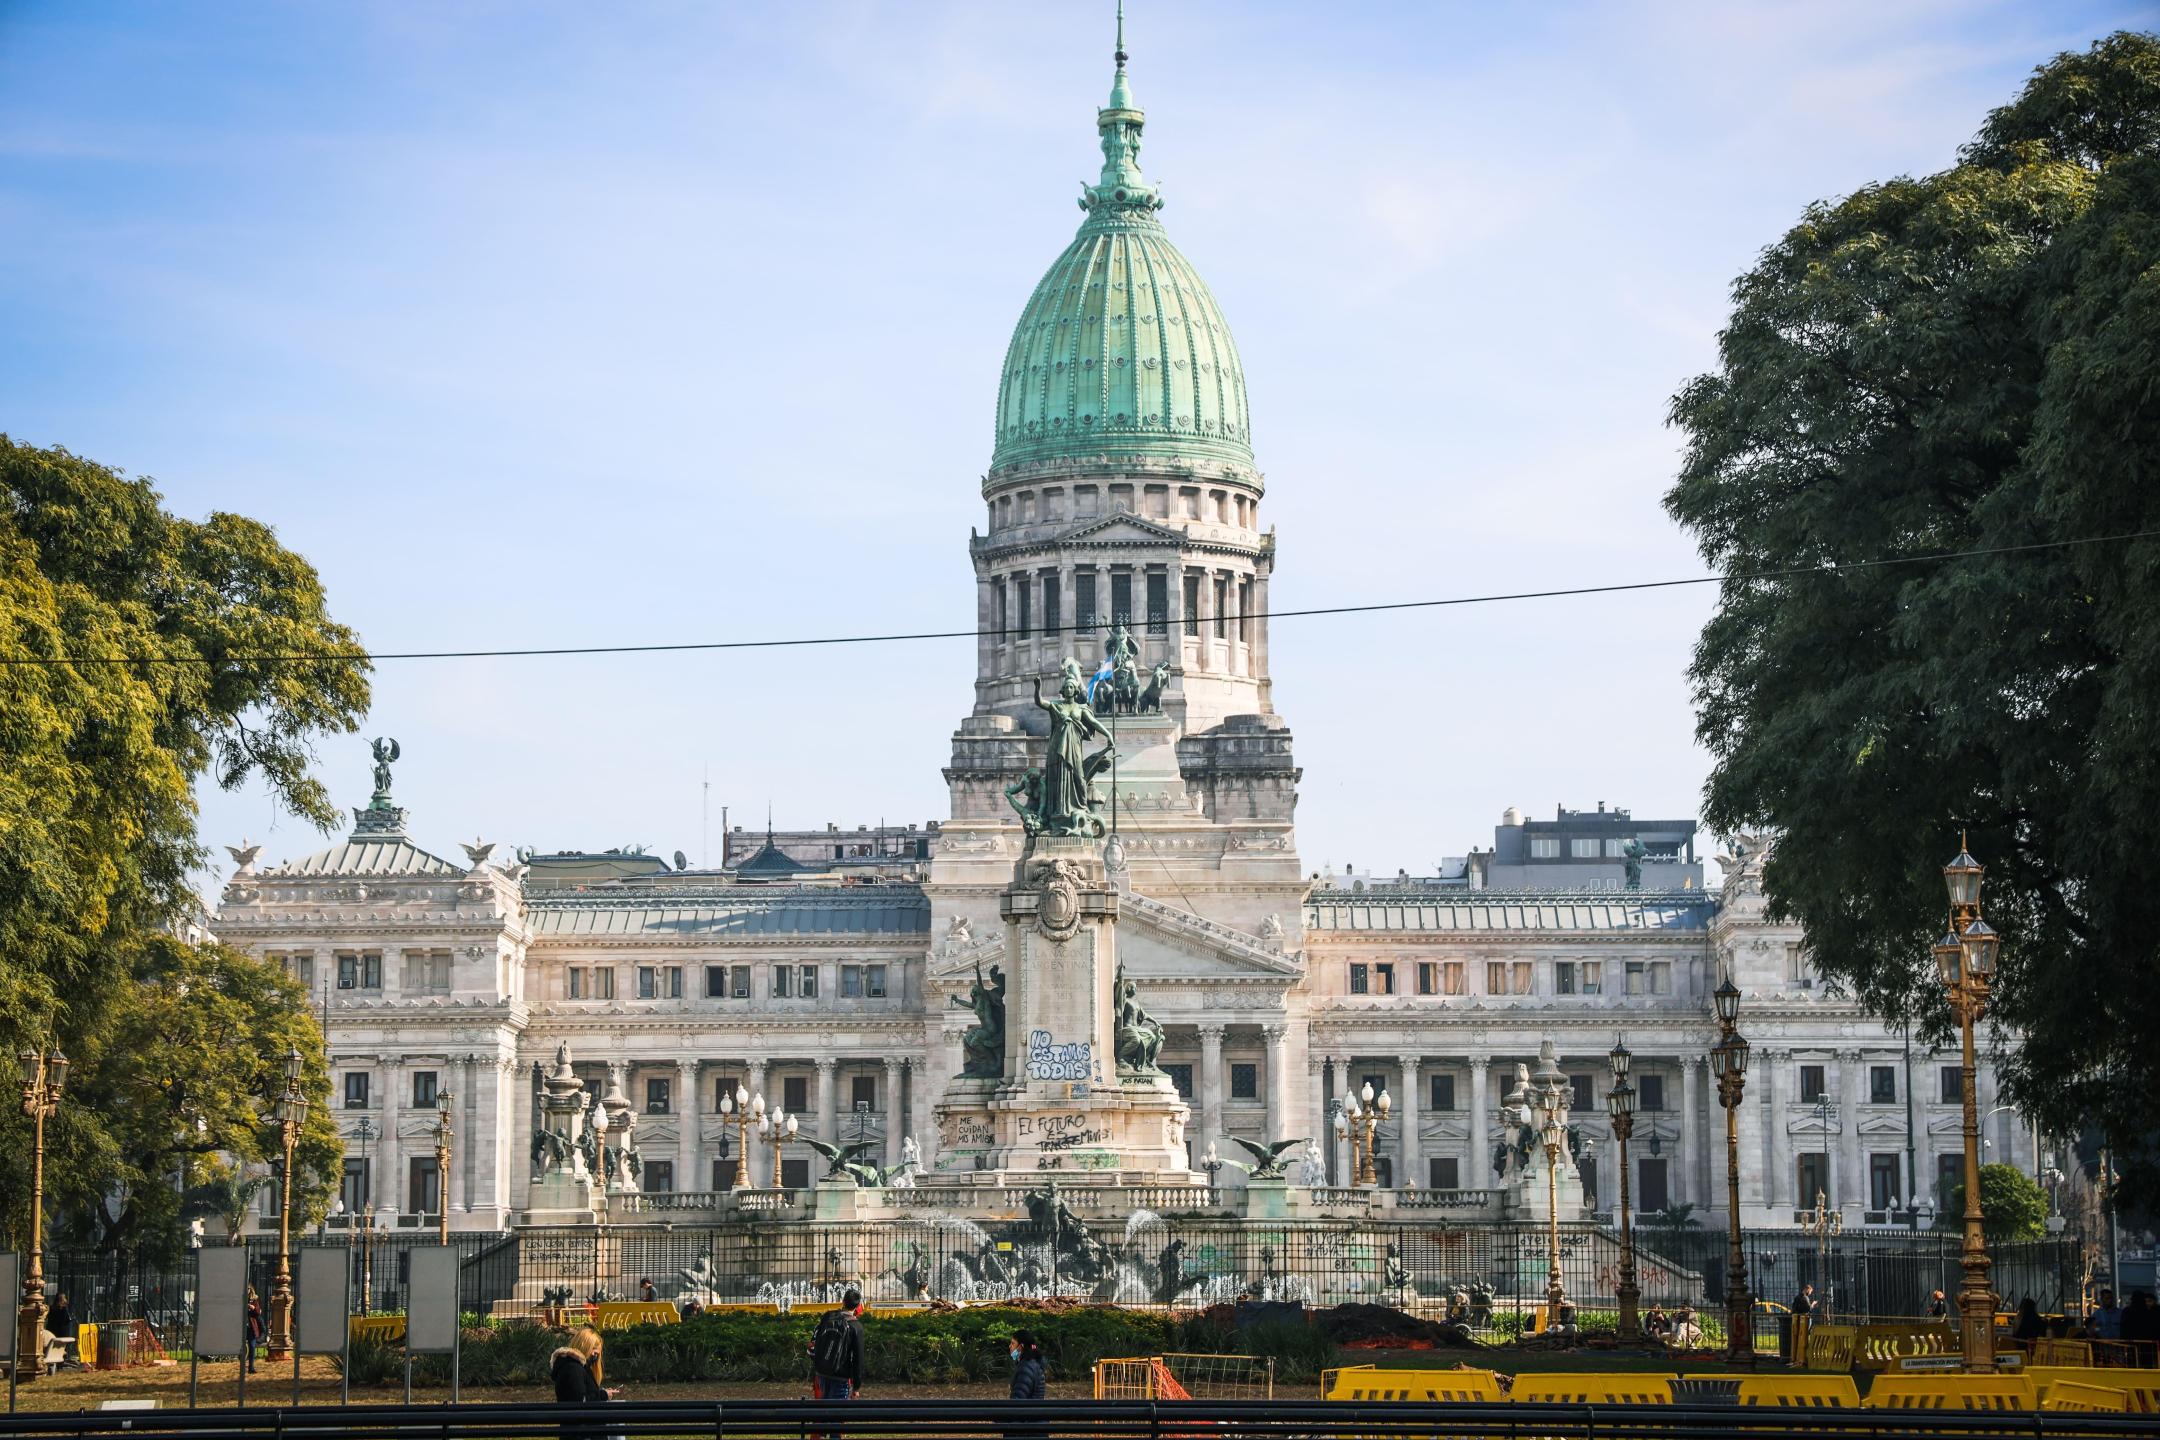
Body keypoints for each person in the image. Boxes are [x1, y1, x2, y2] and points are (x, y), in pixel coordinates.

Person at [552, 1325, 618, 1438]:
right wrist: (603, 1395)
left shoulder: (574, 1367)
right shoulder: (574, 1368)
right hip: (582, 1433)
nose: (595, 1355)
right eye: (594, 1349)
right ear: (585, 1345)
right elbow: (580, 1401)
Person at [809, 1290, 866, 1401]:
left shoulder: (828, 1317)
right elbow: (858, 1359)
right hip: (841, 1376)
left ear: (843, 1301)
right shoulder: (856, 1326)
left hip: (821, 1373)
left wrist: (820, 1364)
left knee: (822, 1413)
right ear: (858, 1305)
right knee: (837, 1414)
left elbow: (813, 1344)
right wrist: (856, 1387)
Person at [1008, 1330, 1046, 1400]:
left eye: (1013, 1343)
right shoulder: (1034, 1363)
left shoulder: (1026, 1368)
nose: (1010, 1346)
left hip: (1027, 1410)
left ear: (1021, 1346)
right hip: (1033, 1409)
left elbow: (1018, 1400)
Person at [244, 1288, 264, 1375]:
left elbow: (258, 1312)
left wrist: (253, 1307)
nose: (247, 1290)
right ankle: (242, 1364)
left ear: (251, 1290)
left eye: (248, 1288)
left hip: (251, 1327)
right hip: (242, 1326)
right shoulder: (240, 1298)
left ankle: (251, 1367)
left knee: (252, 1347)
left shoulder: (254, 1299)